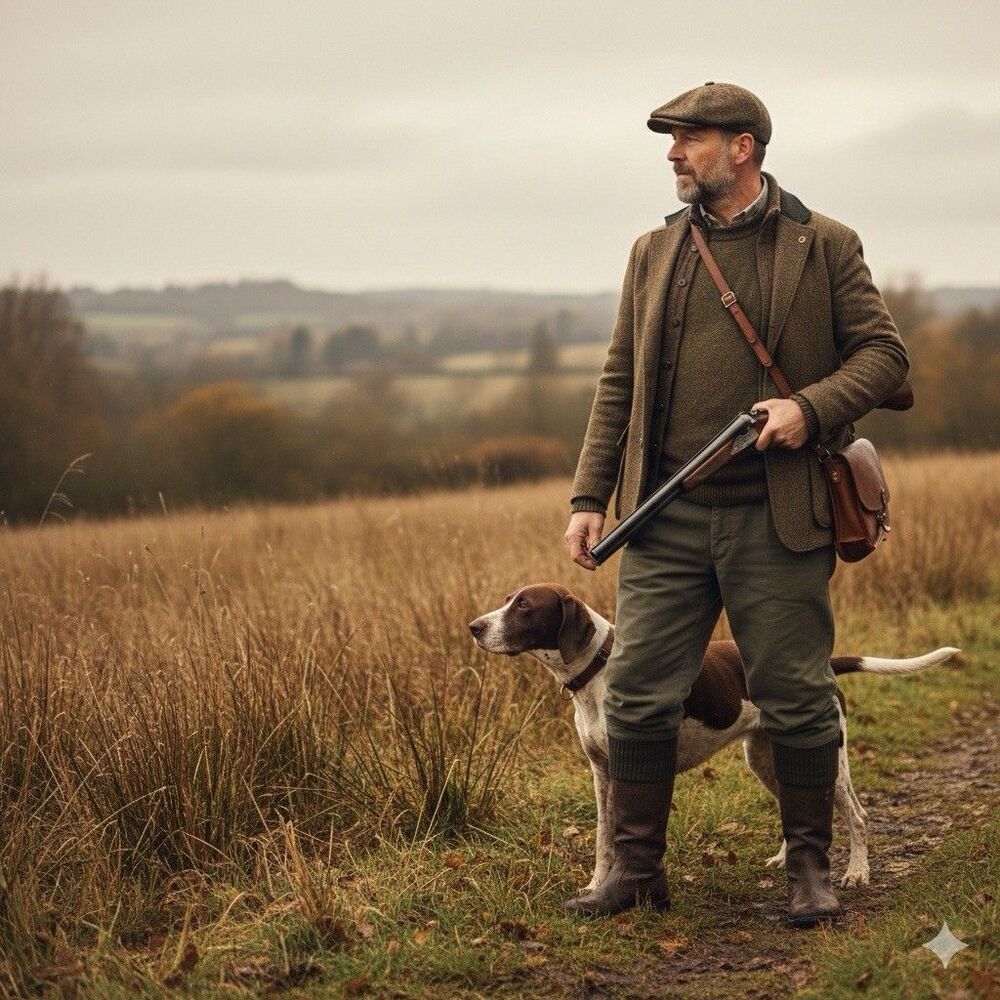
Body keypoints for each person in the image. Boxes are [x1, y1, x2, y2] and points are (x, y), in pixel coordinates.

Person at [563, 82, 909, 925]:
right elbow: (620, 382)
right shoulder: (653, 252)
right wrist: (588, 494)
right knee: (639, 691)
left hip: (778, 513)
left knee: (793, 692)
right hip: (664, 516)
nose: (674, 153)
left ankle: (809, 875)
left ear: (743, 147)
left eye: (689, 138)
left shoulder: (823, 245)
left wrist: (810, 409)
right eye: (672, 140)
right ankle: (636, 875)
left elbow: (886, 359)